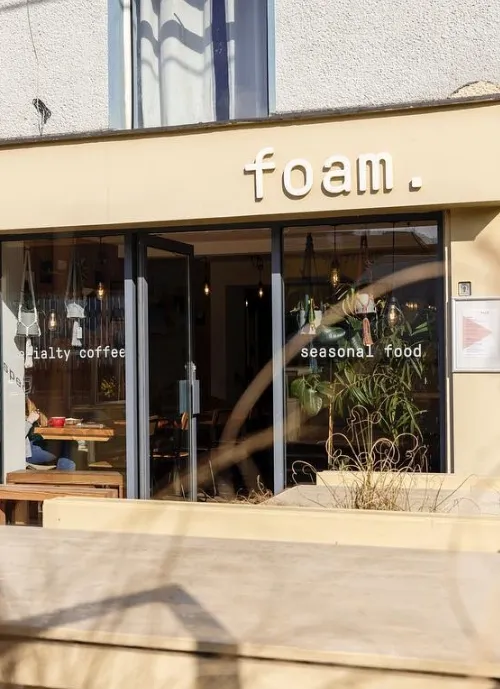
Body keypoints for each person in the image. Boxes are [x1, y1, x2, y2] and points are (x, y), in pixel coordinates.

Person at [25, 404, 76, 471]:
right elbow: (16, 436)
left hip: (32, 445)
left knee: (67, 442)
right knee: (66, 445)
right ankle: (64, 476)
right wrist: (29, 420)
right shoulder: (10, 413)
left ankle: (64, 475)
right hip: (26, 453)